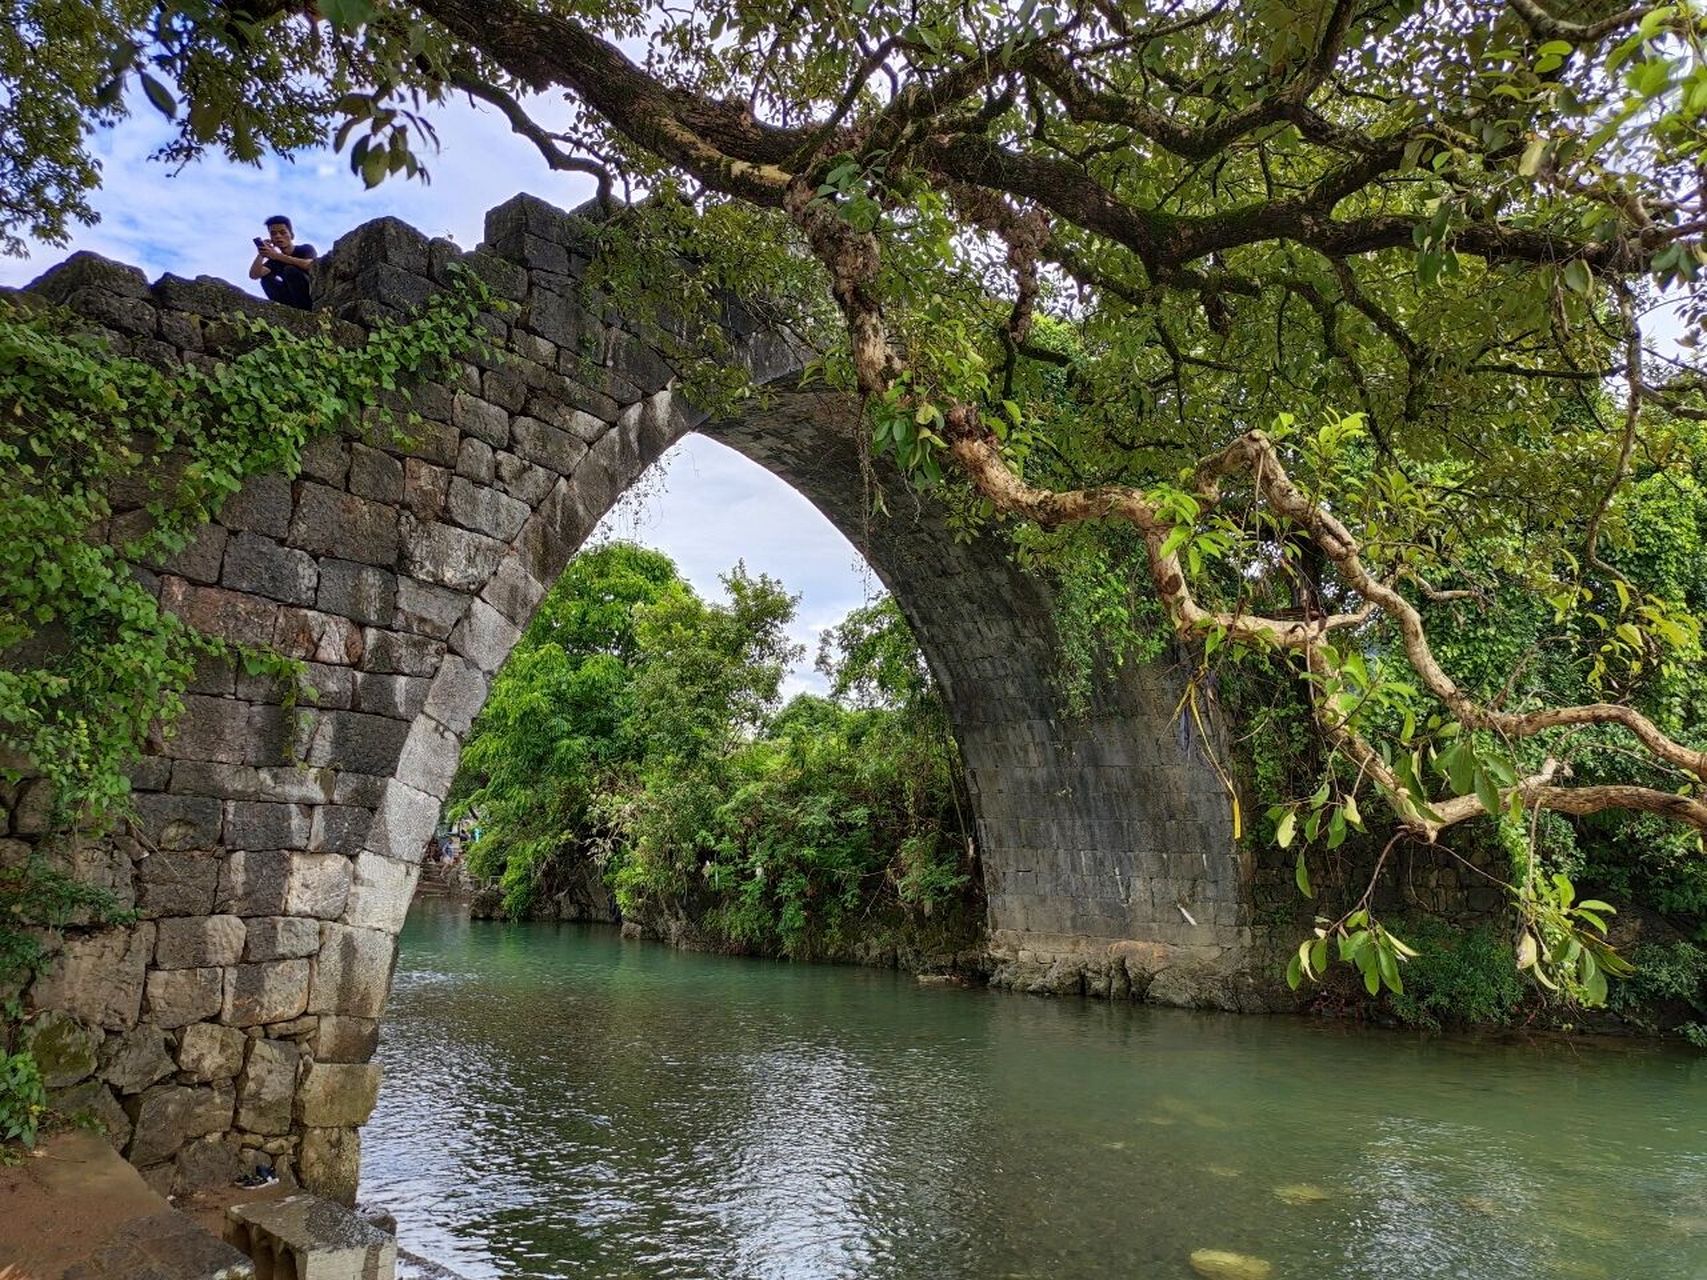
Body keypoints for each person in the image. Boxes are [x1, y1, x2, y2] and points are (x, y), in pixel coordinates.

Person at [247, 214, 317, 309]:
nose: (278, 236)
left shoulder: (305, 249)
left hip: (310, 294)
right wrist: (261, 254)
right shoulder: (274, 260)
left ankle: (305, 311)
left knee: (290, 270)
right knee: (266, 279)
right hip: (291, 299)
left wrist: (277, 256)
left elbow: (309, 265)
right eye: (273, 234)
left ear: (291, 235)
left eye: (282, 232)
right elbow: (254, 275)